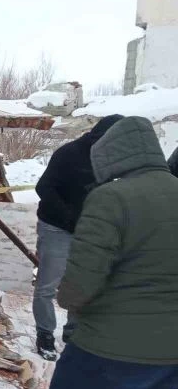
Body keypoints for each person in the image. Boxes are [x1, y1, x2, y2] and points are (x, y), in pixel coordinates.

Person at [50, 116, 178, 389]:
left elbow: (79, 286)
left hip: (109, 346)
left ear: (109, 156)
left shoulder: (110, 198)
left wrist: (66, 297)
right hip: (170, 354)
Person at [32, 114, 123, 360]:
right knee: (47, 286)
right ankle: (45, 335)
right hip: (56, 227)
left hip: (87, 231)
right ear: (100, 136)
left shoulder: (110, 160)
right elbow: (44, 188)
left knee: (79, 283)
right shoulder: (68, 154)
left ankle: (73, 333)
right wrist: (68, 217)